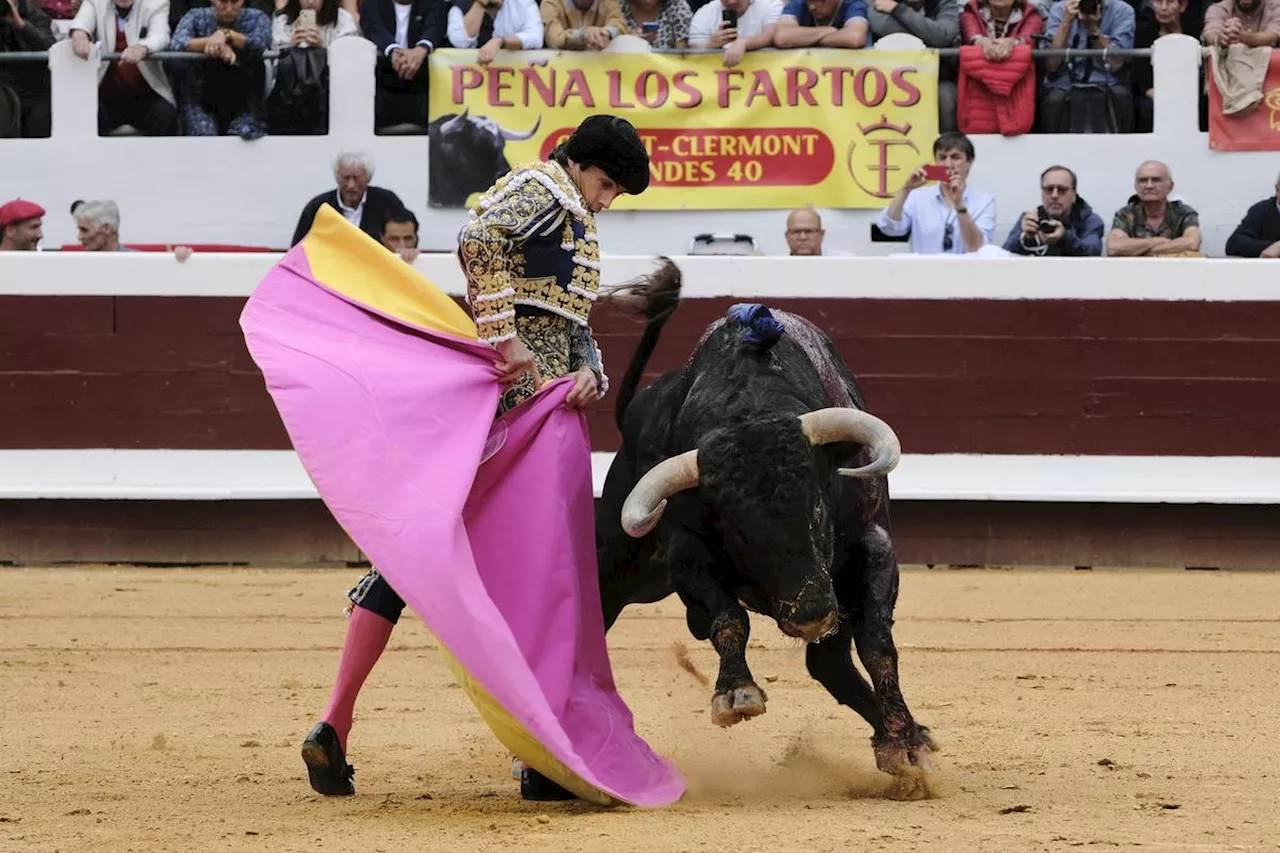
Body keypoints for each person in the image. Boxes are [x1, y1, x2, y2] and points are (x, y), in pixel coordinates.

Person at [300, 114, 653, 802]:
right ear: (579, 162)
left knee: (417, 548)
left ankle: (335, 720)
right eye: (606, 183)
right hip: (517, 410)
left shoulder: (571, 209)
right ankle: (539, 757)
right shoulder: (544, 190)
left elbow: (570, 322)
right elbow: (477, 237)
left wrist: (590, 374)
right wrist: (507, 343)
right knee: (541, 572)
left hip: (543, 405)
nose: (607, 199)